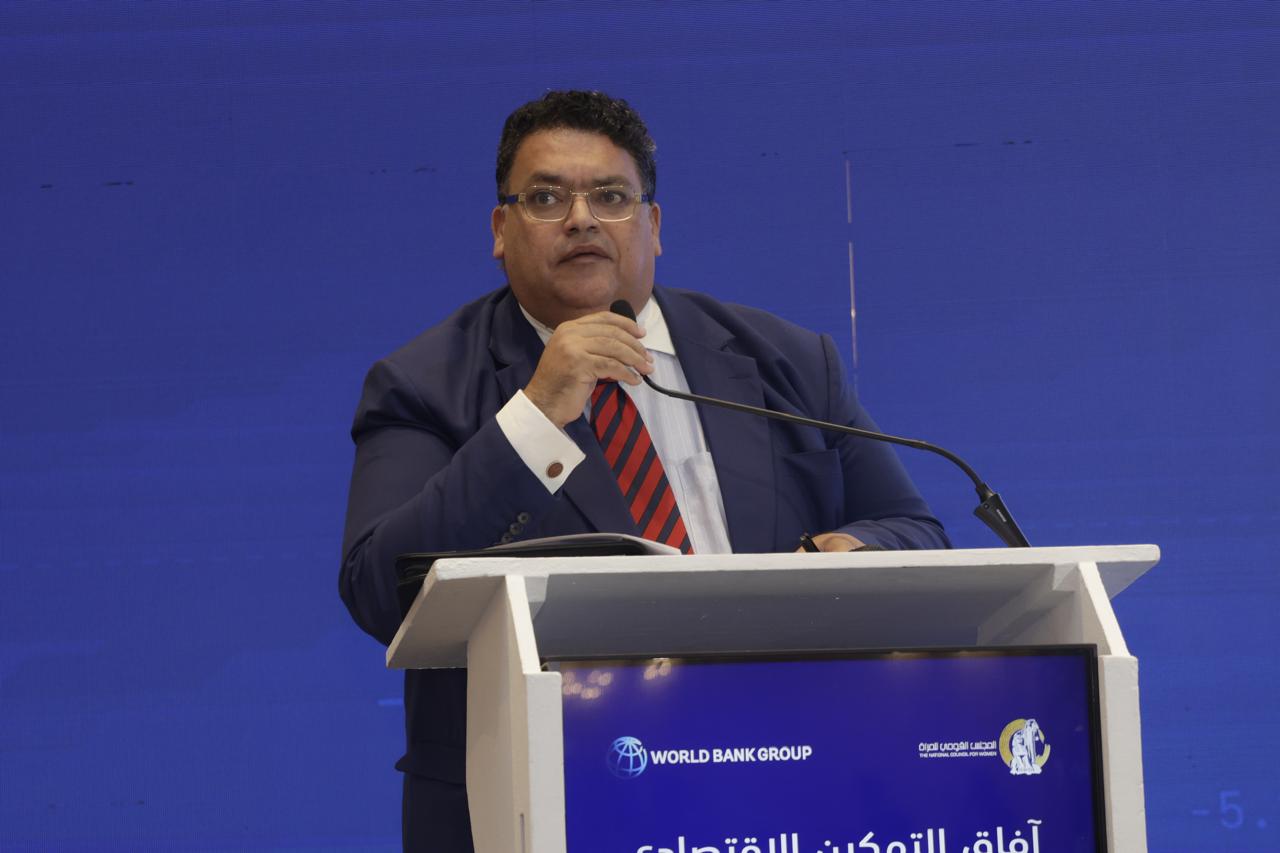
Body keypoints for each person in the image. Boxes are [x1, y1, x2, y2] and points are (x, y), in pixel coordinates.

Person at [339, 90, 949, 850]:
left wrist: (843, 555)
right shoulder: (423, 384)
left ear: (653, 226)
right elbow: (380, 591)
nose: (582, 219)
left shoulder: (788, 361)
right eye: (545, 198)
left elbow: (914, 530)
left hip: (783, 775)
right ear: (501, 230)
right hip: (549, 793)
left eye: (612, 196)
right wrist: (536, 415)